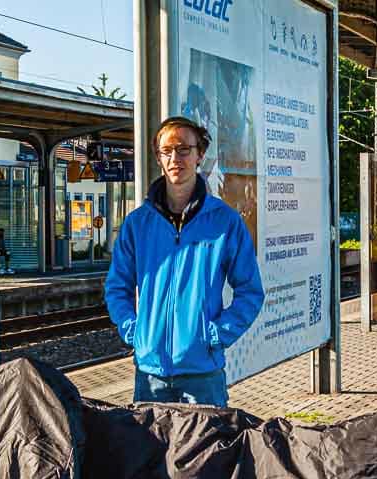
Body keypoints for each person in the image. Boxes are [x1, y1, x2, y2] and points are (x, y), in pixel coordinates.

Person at [105, 115, 264, 407]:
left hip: (203, 376)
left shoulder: (225, 222)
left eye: (183, 150)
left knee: (209, 453)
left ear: (199, 155)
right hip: (150, 374)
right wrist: (136, 332)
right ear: (158, 158)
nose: (174, 158)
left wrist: (214, 335)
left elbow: (250, 292)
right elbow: (117, 287)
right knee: (151, 453)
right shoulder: (137, 224)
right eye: (166, 151)